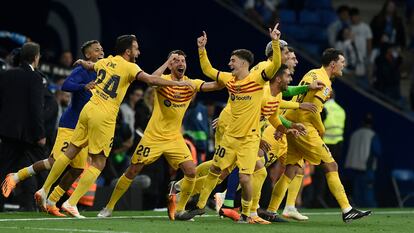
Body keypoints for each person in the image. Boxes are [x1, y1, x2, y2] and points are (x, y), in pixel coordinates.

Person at [34, 35, 195, 218]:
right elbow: (151, 80)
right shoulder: (130, 67)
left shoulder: (107, 61)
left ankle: (44, 189)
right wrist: (176, 83)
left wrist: (82, 62)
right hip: (104, 116)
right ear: (128, 51)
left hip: (89, 109)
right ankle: (71, 203)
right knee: (99, 162)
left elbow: (90, 65)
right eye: (136, 48)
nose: (138, 52)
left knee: (71, 150)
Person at [97, 49, 223, 220]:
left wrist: (230, 79)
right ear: (170, 64)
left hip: (174, 138)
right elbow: (150, 80)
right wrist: (166, 62)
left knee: (191, 172)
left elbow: (216, 85)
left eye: (182, 61)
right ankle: (109, 207)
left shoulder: (190, 84)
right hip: (153, 137)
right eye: (176, 60)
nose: (180, 63)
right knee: (132, 170)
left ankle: (180, 209)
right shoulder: (162, 80)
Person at [186, 24, 284, 223]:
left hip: (249, 139)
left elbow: (274, 66)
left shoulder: (257, 79)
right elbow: (207, 69)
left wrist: (274, 42)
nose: (229, 63)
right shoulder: (229, 80)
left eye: (233, 60)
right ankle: (199, 206)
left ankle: (249, 213)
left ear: (244, 63)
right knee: (215, 169)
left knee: (245, 178)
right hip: (230, 137)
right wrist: (201, 49)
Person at [1, 40, 104, 216]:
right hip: (70, 125)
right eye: (96, 50)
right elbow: (66, 85)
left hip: (85, 127)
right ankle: (16, 177)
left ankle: (52, 201)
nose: (101, 51)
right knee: (53, 162)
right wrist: (83, 86)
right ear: (88, 55)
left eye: (101, 49)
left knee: (78, 169)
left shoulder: (103, 70)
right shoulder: (81, 71)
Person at [268, 48, 371, 223]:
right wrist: (321, 129)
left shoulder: (312, 73)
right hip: (304, 128)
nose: (343, 66)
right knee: (331, 165)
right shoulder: (325, 83)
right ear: (333, 64)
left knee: (292, 168)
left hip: (292, 123)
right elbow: (313, 111)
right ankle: (347, 209)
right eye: (342, 62)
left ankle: (271, 210)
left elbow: (298, 98)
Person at [0, 42, 46, 211]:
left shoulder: (6, 74)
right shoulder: (35, 77)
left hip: (7, 132)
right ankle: (42, 203)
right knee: (40, 167)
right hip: (27, 136)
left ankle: (24, 204)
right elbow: (36, 108)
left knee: (5, 168)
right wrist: (40, 134)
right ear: (36, 57)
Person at [344, 113, 380, 207]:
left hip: (354, 168)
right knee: (368, 196)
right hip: (366, 169)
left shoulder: (354, 134)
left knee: (357, 195)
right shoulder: (372, 135)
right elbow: (377, 151)